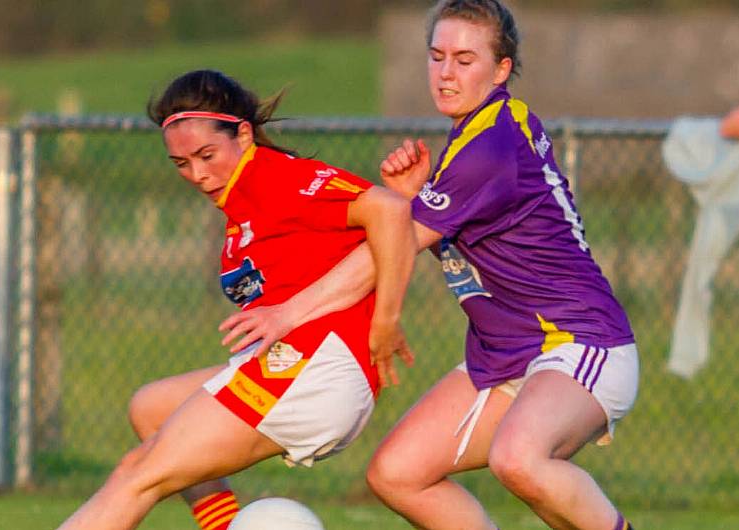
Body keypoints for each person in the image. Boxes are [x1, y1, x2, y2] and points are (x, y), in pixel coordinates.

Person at [219, 1, 639, 529]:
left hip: (581, 341)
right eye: (437, 56)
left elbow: (391, 248)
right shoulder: (475, 134)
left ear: (501, 69)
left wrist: (288, 313)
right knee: (398, 473)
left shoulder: (492, 144)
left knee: (519, 459)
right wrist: (416, 195)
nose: (445, 72)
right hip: (506, 356)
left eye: (465, 59)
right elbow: (452, 227)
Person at [57, 69, 416, 530]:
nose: (198, 174)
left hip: (315, 368)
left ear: (243, 134)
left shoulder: (273, 177)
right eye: (182, 163)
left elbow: (390, 210)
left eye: (207, 154)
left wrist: (386, 318)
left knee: (137, 475)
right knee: (151, 407)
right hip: (300, 365)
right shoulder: (241, 204)